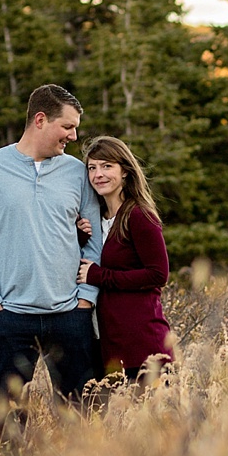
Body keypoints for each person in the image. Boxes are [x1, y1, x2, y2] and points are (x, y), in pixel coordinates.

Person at [0, 83, 104, 417]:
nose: (73, 135)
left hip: (70, 315)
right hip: (9, 317)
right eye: (67, 127)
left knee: (82, 416)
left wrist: (86, 299)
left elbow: (95, 239)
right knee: (4, 419)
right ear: (40, 120)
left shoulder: (76, 173)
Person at [75, 135, 173, 382]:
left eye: (107, 166)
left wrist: (100, 275)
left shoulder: (139, 215)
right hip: (110, 345)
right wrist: (79, 240)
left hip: (143, 345)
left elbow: (158, 274)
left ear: (126, 172)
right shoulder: (96, 219)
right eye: (92, 168)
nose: (99, 174)